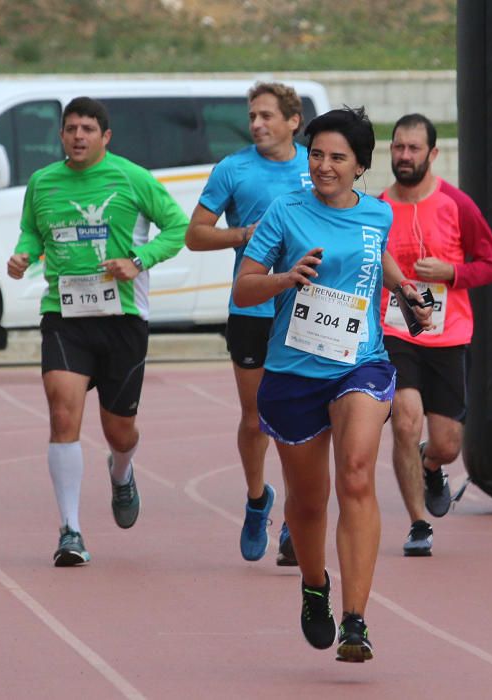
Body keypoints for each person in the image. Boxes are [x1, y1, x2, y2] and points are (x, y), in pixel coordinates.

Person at [233, 107, 431, 662]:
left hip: (358, 363)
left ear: (360, 166)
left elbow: (376, 258)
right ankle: (315, 584)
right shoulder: (284, 212)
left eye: (337, 157)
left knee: (356, 473)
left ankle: (356, 619)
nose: (323, 165)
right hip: (294, 371)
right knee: (308, 500)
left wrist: (406, 289)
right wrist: (286, 276)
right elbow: (245, 289)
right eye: (316, 154)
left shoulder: (377, 214)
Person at [7, 97, 187, 567]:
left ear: (105, 137)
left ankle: (122, 470)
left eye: (88, 128)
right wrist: (22, 254)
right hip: (64, 316)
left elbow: (178, 227)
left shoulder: (132, 178)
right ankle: (70, 530)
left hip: (123, 319)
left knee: (119, 431)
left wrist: (138, 261)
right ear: (61, 135)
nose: (78, 136)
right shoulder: (43, 183)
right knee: (62, 414)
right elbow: (31, 231)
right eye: (71, 128)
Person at [186, 81, 311, 566]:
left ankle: (297, 522)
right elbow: (195, 235)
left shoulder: (314, 166)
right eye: (252, 116)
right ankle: (258, 499)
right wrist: (243, 234)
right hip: (252, 308)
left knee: (298, 420)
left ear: (292, 121)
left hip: (302, 309)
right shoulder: (233, 169)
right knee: (256, 419)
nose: (256, 124)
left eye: (266, 116)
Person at [379, 114, 492, 556]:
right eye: (398, 147)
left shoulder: (456, 204)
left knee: (448, 443)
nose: (405, 156)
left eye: (414, 149)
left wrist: (452, 271)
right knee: (405, 419)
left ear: (433, 154)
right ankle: (418, 524)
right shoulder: (376, 208)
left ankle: (432, 464)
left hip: (448, 335)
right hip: (394, 332)